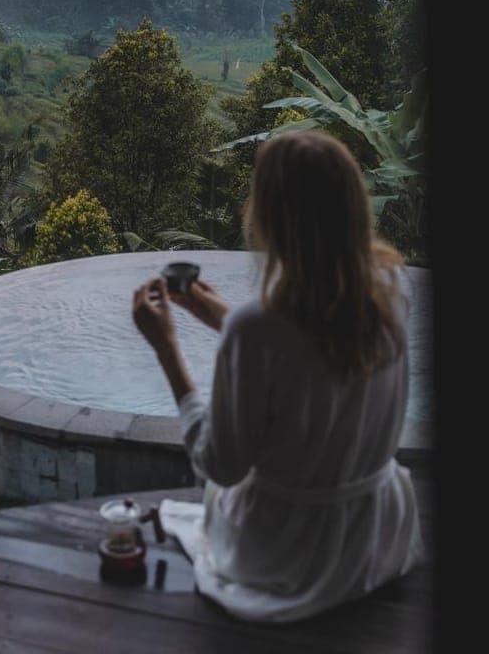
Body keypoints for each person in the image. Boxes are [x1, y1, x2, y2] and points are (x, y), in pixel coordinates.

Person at [131, 128, 424, 623]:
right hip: (376, 534)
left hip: (286, 552)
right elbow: (309, 357)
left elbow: (219, 464)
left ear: (268, 217)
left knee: (217, 502)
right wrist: (215, 313)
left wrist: (166, 346)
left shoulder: (256, 330)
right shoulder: (387, 297)